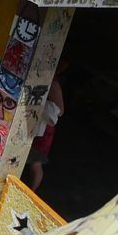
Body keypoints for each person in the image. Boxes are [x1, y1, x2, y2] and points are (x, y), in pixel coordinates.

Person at [27, 61, 67, 192]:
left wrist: (43, 105)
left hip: (43, 127)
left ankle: (31, 191)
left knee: (35, 162)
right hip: (33, 121)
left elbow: (60, 111)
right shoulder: (37, 79)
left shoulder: (53, 84)